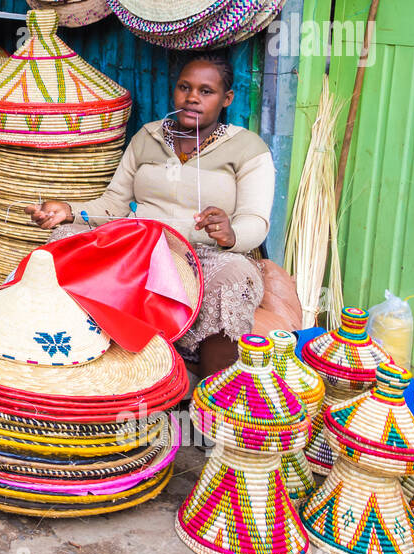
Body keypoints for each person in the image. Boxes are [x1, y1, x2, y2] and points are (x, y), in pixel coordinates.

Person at [25, 54, 274, 377]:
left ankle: (212, 389)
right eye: (184, 87)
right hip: (141, 241)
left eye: (206, 91)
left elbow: (255, 220)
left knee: (235, 276)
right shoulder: (149, 136)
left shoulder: (248, 149)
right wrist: (71, 212)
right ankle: (74, 357)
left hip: (204, 253)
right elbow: (115, 203)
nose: (192, 97)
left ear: (227, 98)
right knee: (63, 241)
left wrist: (231, 234)